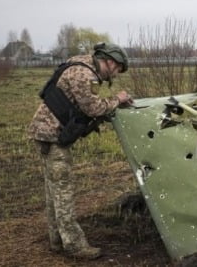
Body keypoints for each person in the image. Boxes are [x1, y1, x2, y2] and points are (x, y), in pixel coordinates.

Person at [28, 42, 133, 259]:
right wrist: (118, 99)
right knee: (63, 191)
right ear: (110, 61)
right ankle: (74, 246)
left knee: (54, 190)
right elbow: (93, 108)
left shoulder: (81, 64)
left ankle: (57, 240)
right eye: (117, 69)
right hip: (52, 135)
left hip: (46, 132)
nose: (115, 75)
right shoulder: (86, 75)